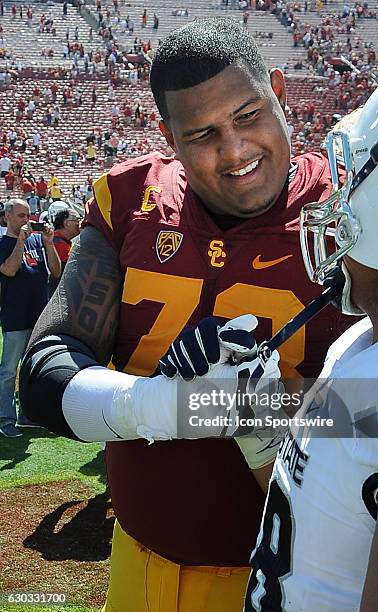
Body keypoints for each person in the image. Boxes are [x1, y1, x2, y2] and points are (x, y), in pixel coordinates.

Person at [19, 18, 349, 612]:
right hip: (139, 559)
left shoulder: (350, 213)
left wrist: (259, 412)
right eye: (202, 134)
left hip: (286, 576)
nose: (235, 149)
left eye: (249, 115)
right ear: (170, 138)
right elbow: (44, 370)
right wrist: (172, 405)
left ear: (279, 88)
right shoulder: (129, 199)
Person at [243, 52, 378, 610]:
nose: (333, 202)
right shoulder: (369, 346)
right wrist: (254, 423)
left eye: (352, 180)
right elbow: (323, 497)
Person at [0, 199, 61, 438]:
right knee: (8, 371)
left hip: (38, 315)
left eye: (29, 215)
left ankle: (27, 415)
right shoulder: (3, 243)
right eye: (21, 216)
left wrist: (48, 244)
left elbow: (55, 271)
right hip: (15, 317)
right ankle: (5, 418)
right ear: (7, 217)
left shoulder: (37, 240)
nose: (27, 220)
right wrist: (20, 243)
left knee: (32, 369)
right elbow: (9, 270)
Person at [48, 207, 81, 296]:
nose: (79, 223)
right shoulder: (57, 242)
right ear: (66, 223)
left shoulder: (59, 240)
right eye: (77, 220)